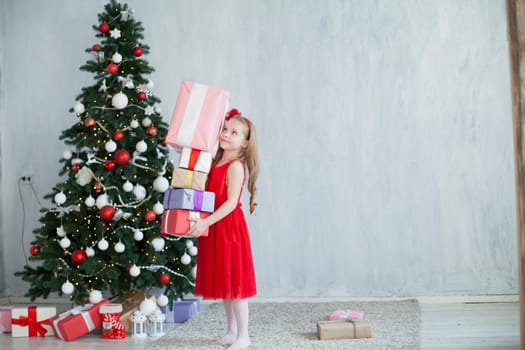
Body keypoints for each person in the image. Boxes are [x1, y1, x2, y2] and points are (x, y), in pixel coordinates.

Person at [187, 108, 259, 350]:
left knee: (236, 286)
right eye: (225, 129)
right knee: (226, 285)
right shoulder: (216, 161)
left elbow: (230, 203)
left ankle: (244, 336)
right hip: (215, 226)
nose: (226, 134)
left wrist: (206, 221)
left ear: (245, 143)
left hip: (228, 229)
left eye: (234, 132)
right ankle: (231, 331)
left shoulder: (236, 167)